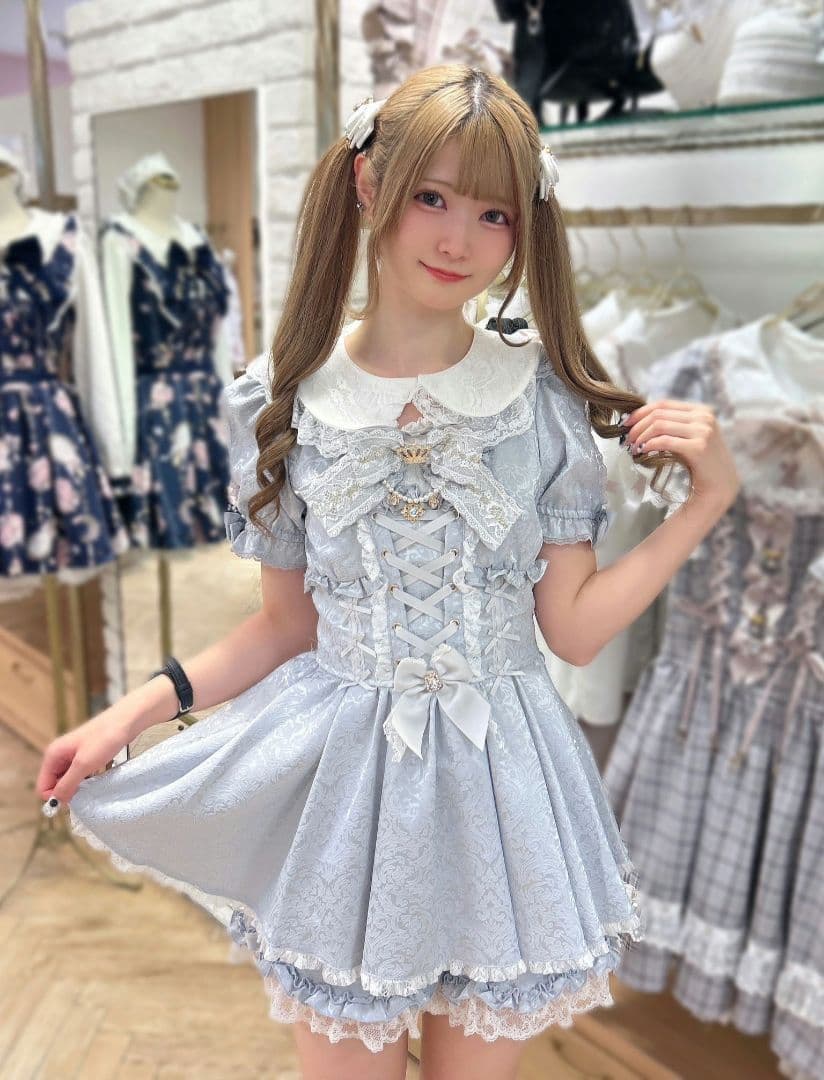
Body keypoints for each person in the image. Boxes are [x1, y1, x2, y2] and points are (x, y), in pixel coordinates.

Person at [36, 64, 740, 1080]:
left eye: (494, 214)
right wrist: (130, 714)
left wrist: (705, 504)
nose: (459, 240)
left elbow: (577, 630)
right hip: (348, 792)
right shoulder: (285, 399)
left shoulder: (538, 398)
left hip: (504, 789)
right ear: (370, 186)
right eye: (432, 197)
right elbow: (285, 627)